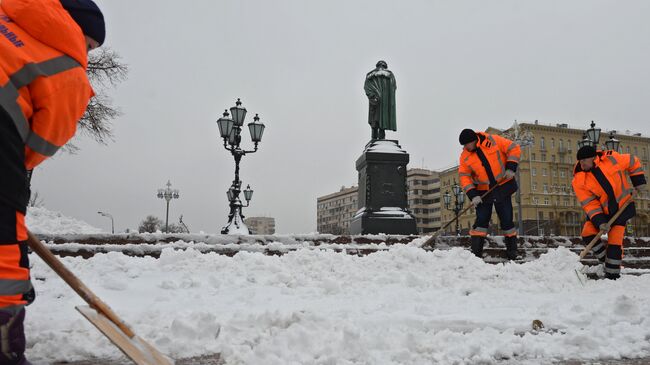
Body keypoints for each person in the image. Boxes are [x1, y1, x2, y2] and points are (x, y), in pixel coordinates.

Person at [0, 0, 105, 363]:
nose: (87, 55)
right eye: (90, 46)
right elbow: (44, 140)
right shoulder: (67, 66)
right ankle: (4, 343)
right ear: (77, 30)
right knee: (3, 242)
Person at [572, 145, 646, 280]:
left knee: (614, 243)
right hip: (602, 211)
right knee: (587, 233)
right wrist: (600, 222)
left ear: (594, 157)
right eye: (580, 161)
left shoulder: (612, 159)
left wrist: (638, 181)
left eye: (584, 160)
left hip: (622, 208)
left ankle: (612, 276)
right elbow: (589, 204)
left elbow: (632, 161)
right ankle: (604, 260)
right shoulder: (579, 179)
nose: (582, 163)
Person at [458, 128, 521, 259]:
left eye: (466, 144)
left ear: (474, 140)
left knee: (507, 219)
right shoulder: (465, 156)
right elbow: (464, 176)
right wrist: (473, 195)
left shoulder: (492, 140)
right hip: (483, 192)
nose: (465, 147)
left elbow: (513, 148)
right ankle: (476, 254)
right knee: (481, 221)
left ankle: (512, 252)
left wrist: (511, 167)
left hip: (502, 186)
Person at [364, 60, 397, 140]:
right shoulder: (389, 75)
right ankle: (380, 138)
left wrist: (372, 96)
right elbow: (394, 87)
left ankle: (374, 138)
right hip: (384, 102)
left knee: (374, 120)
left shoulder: (370, 75)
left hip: (375, 101)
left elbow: (366, 87)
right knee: (382, 120)